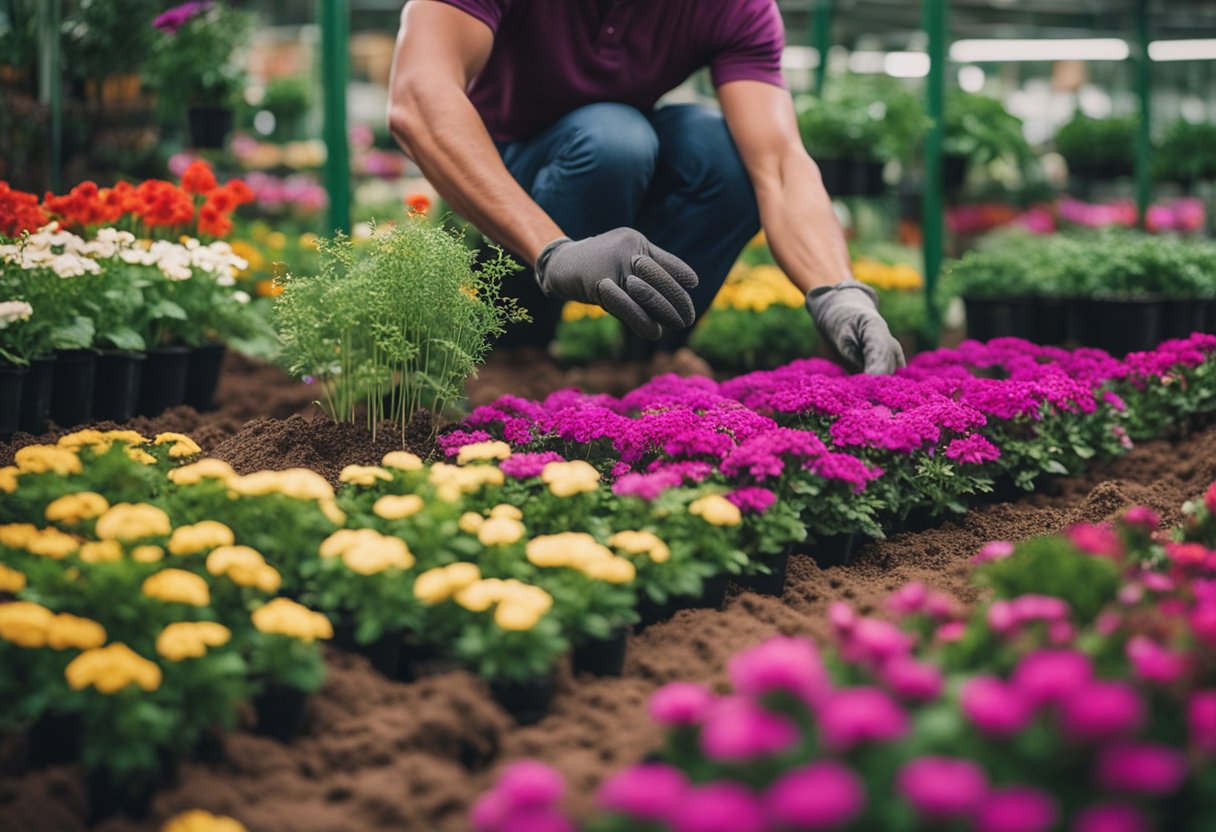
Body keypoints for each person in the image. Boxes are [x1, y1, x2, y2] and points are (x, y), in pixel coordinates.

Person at [387, 0, 905, 374]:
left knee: (724, 154)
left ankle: (650, 352)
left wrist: (839, 292)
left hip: (611, 158)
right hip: (496, 177)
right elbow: (417, 95)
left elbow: (780, 163)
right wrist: (554, 251)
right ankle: (518, 343)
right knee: (613, 141)